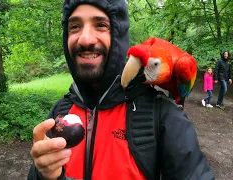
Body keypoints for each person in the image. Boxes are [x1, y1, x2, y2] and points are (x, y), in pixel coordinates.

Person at [27, 1, 215, 180]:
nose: (85, 39)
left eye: (100, 24)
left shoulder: (165, 117)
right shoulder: (60, 113)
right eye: (74, 26)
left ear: (118, 36)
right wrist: (44, 174)